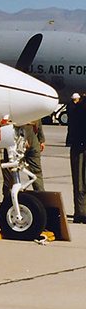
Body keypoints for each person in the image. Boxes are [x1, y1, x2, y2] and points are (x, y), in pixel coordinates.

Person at [67, 93, 86, 224]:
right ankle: (81, 213)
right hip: (80, 146)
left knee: (79, 181)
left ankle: (80, 213)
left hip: (79, 146)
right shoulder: (79, 108)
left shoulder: (79, 108)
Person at [20, 119, 45, 191]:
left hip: (27, 142)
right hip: (28, 141)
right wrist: (41, 139)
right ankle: (40, 196)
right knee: (10, 173)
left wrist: (41, 139)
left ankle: (40, 195)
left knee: (10, 172)